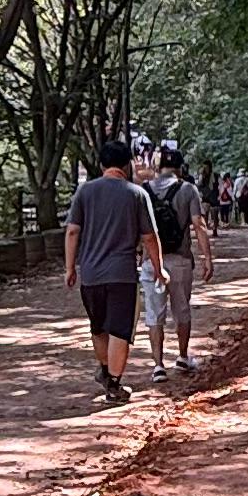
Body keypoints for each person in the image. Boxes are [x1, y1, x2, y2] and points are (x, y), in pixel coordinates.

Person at [64, 133, 163, 404]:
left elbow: (73, 231)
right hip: (122, 274)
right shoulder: (136, 194)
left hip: (91, 274)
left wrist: (70, 267)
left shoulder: (85, 191)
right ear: (128, 165)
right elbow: (149, 237)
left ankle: (106, 371)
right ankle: (114, 385)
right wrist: (159, 268)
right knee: (120, 329)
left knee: (98, 327)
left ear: (100, 164)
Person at [145, 140, 214, 375]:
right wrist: (207, 258)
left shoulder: (144, 190)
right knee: (182, 310)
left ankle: (157, 365)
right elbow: (199, 224)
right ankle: (183, 357)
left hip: (151, 261)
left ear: (159, 168)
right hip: (181, 259)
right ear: (180, 168)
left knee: (155, 314)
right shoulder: (188, 190)